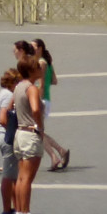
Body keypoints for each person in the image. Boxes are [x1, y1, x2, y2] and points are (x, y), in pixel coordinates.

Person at [8, 54, 49, 214]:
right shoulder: (31, 88)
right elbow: (35, 109)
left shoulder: (18, 86)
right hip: (30, 133)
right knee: (27, 178)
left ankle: (18, 212)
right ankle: (25, 213)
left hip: (19, 133)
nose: (41, 69)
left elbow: (9, 107)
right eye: (38, 67)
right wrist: (39, 125)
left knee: (20, 177)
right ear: (32, 70)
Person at [34, 39, 69, 172]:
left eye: (34, 47)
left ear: (40, 48)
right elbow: (54, 81)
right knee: (38, 131)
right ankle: (61, 151)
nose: (32, 49)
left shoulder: (41, 63)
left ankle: (55, 156)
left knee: (37, 132)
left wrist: (37, 99)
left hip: (41, 99)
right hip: (46, 99)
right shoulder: (47, 62)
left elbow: (41, 84)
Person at [0, 67, 23, 214]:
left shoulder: (0, 95)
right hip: (7, 136)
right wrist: (13, 130)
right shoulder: (8, 96)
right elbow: (2, 119)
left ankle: (13, 207)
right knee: (9, 176)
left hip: (0, 135)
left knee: (11, 175)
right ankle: (7, 210)